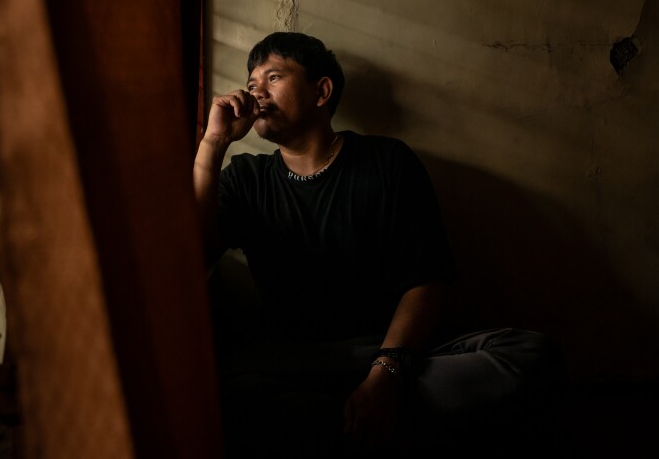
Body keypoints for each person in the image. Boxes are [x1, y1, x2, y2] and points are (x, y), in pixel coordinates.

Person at [194, 32, 561, 457]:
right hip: (295, 362)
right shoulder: (246, 178)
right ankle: (372, 424)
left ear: (322, 91)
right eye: (252, 81)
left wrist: (384, 376)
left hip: (392, 351)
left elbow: (426, 282)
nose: (256, 90)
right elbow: (193, 252)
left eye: (273, 77)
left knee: (531, 355)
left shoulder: (386, 162)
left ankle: (355, 418)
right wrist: (212, 143)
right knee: (227, 392)